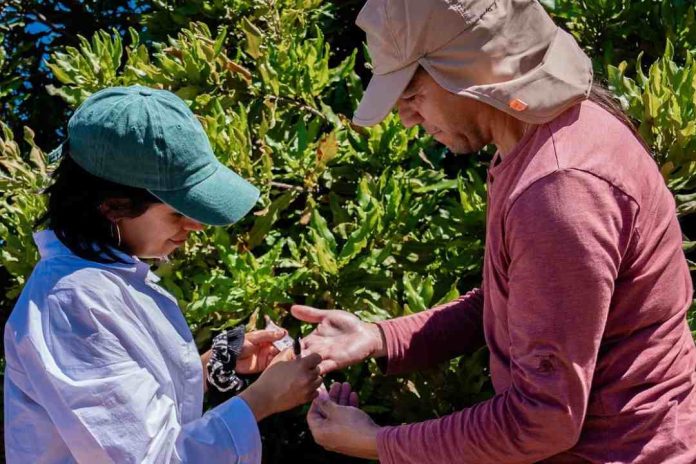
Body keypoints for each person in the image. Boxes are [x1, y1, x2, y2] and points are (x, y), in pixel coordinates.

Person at [297, 0, 696, 462]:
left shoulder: (560, 189)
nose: (405, 118)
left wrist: (376, 442)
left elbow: (541, 419)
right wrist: (382, 337)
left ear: (473, 73)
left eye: (413, 95)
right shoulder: (538, 139)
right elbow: (511, 304)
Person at [3, 86, 323, 463]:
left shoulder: (107, 276)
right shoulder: (73, 303)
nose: (196, 225)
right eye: (176, 212)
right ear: (112, 207)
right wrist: (261, 401)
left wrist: (211, 365)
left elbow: (130, 411)